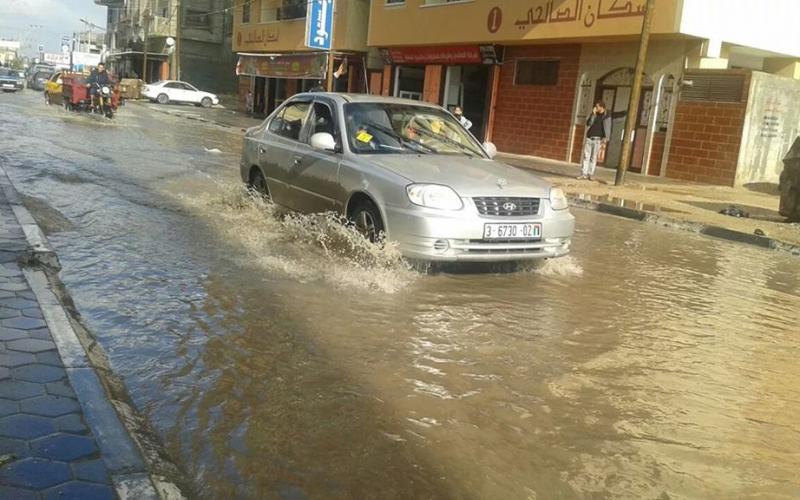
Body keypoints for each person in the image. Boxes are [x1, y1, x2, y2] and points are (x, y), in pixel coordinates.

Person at [579, 100, 612, 180]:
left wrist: (606, 138)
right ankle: (584, 173)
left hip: (597, 140)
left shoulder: (606, 116)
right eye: (596, 107)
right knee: (586, 156)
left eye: (597, 107)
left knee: (593, 157)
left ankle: (590, 174)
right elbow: (588, 123)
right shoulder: (594, 114)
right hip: (589, 138)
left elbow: (608, 127)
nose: (596, 108)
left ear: (602, 107)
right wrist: (593, 114)